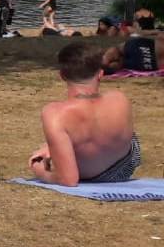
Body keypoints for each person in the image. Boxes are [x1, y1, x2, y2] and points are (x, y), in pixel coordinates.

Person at [27, 42, 140, 186]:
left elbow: (68, 180)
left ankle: (54, 148)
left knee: (71, 133)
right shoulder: (120, 99)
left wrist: (40, 172)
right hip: (125, 168)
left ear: (62, 76)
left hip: (89, 175)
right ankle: (53, 147)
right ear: (100, 74)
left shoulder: (56, 114)